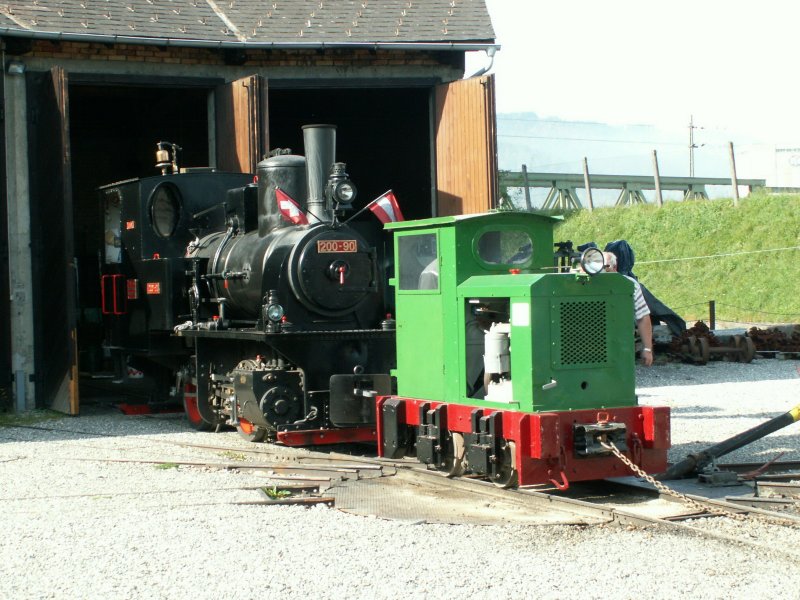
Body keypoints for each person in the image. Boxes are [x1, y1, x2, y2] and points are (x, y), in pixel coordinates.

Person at [603, 251, 654, 366]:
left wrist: (647, 349)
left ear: (614, 267)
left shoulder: (630, 285)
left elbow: (643, 316)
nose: (602, 271)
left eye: (605, 267)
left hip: (621, 346)